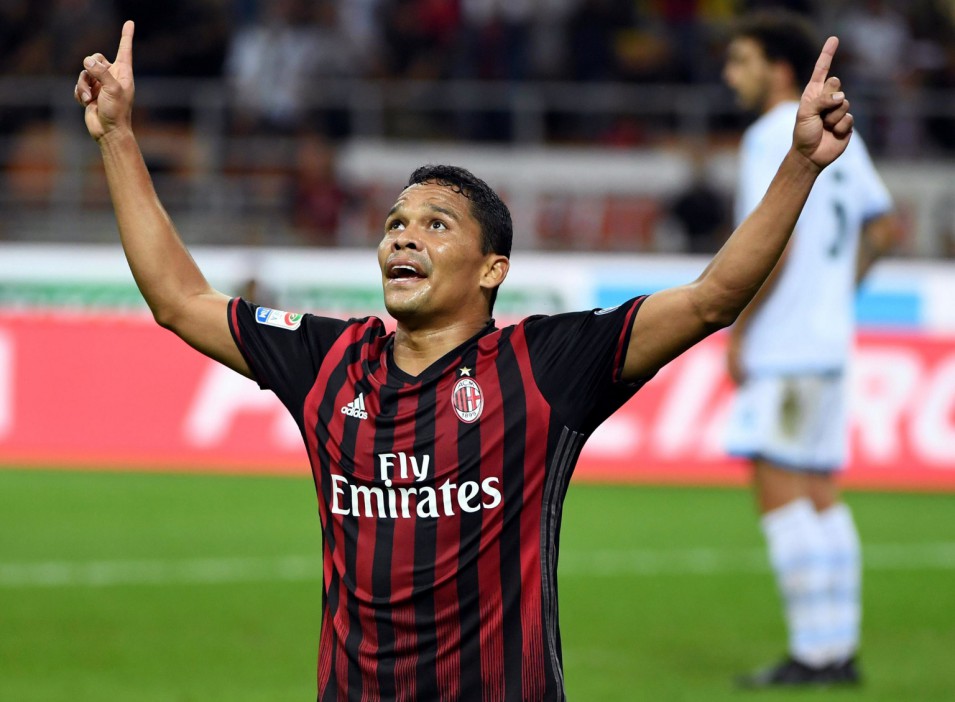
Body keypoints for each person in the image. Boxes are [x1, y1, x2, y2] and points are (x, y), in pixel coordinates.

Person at [76, 20, 855, 701]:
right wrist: (117, 136)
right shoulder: (325, 358)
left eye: (437, 224)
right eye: (395, 222)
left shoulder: (546, 364)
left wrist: (799, 167)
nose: (403, 237)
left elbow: (713, 296)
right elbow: (178, 301)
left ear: (491, 269)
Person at [721, 11, 902, 689]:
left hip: (784, 344)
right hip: (825, 340)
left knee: (779, 488)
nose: (726, 74)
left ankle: (811, 652)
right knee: (821, 490)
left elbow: (772, 244)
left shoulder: (772, 135)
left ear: (774, 68)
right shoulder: (838, 134)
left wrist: (739, 328)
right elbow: (883, 229)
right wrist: (833, 297)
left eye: (738, 60)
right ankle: (836, 648)